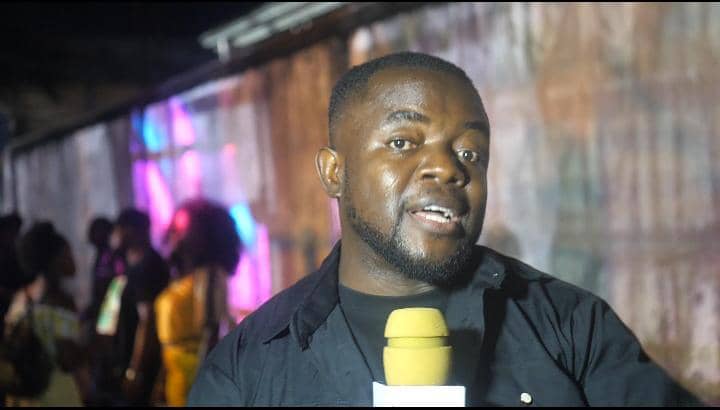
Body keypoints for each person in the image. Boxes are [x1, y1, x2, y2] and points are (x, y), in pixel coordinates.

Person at [187, 52, 704, 406]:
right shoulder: (248, 367)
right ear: (334, 172)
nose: (449, 168)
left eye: (470, 152)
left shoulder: (570, 326)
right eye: (403, 142)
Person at [154, 198, 242, 406]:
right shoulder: (182, 275)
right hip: (179, 382)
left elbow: (211, 336)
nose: (173, 233)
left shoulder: (209, 278)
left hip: (194, 386)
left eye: (180, 228)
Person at [3, 222, 90, 406]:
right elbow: (67, 360)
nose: (73, 260)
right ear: (55, 260)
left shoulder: (22, 296)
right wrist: (97, 345)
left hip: (23, 396)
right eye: (68, 253)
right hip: (55, 394)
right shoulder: (61, 301)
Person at [92, 208, 169, 406]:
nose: (114, 235)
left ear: (131, 231)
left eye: (118, 229)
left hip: (145, 366)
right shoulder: (126, 264)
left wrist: (135, 371)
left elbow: (147, 320)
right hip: (126, 360)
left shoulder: (149, 265)